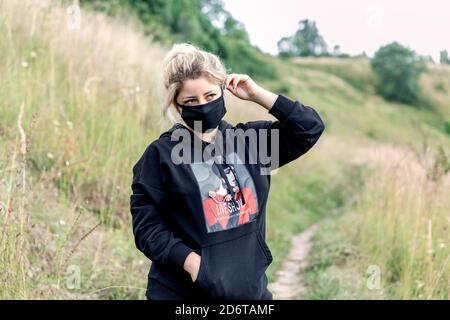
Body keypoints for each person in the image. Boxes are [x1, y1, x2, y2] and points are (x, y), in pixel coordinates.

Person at [129, 43, 325, 300]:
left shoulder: (252, 142)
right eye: (191, 100)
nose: (202, 105)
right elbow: (148, 228)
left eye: (210, 96)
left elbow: (308, 128)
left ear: (223, 91)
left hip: (250, 293)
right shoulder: (160, 155)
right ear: (178, 106)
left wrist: (257, 94)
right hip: (182, 294)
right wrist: (194, 265)